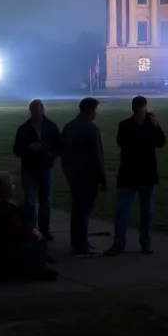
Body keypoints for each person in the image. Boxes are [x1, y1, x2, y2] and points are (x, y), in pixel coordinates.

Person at [106, 96, 166, 256]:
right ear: (135, 109)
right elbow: (123, 143)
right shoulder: (125, 125)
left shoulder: (150, 124)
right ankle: (119, 243)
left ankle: (144, 242)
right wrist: (147, 134)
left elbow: (161, 142)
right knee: (122, 210)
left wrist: (156, 126)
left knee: (146, 211)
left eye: (144, 108)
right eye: (140, 108)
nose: (142, 111)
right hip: (129, 174)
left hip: (146, 174)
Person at [0, 173, 57, 280]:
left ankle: (40, 260)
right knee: (41, 242)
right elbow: (16, 232)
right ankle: (39, 265)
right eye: (12, 185)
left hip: (2, 246)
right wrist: (33, 233)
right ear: (5, 189)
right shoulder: (3, 208)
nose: (14, 187)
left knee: (30, 220)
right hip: (7, 249)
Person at [60, 97, 107, 257]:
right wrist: (103, 179)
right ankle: (82, 246)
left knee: (77, 210)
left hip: (74, 176)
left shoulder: (69, 127)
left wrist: (68, 173)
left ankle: (78, 243)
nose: (96, 112)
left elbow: (64, 153)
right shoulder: (91, 129)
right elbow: (96, 158)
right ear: (90, 110)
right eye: (95, 109)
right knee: (84, 211)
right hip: (88, 177)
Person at [12, 99, 63, 239]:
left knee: (45, 202)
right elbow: (17, 149)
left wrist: (50, 154)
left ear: (43, 109)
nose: (36, 112)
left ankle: (44, 229)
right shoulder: (24, 128)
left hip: (45, 167)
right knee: (30, 201)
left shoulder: (51, 126)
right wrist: (28, 149)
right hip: (30, 169)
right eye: (34, 109)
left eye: (38, 109)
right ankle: (32, 230)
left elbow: (59, 146)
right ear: (31, 111)